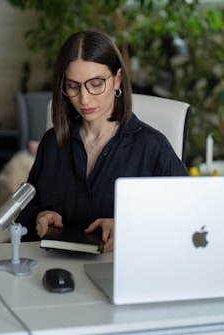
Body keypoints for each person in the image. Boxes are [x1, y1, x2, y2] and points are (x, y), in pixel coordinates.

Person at [17, 30, 189, 252]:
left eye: (96, 84)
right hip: (51, 272)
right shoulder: (53, 144)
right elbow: (25, 211)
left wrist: (128, 227)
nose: (84, 98)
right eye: (73, 86)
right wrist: (39, 216)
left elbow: (187, 219)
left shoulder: (152, 148)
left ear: (117, 80)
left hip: (121, 273)